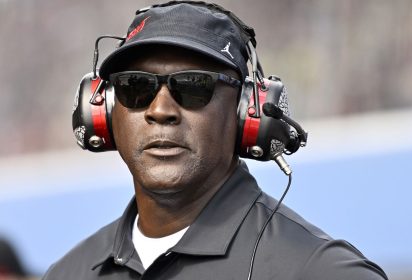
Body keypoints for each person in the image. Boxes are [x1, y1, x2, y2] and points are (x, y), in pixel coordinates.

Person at [44, 2, 388, 279]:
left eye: (195, 86)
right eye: (136, 86)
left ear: (247, 112)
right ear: (103, 112)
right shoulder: (68, 273)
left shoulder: (322, 271)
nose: (161, 110)